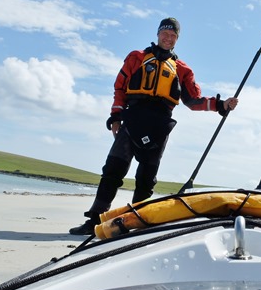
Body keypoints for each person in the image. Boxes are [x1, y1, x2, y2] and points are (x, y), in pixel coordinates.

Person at [69, 17, 239, 235]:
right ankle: (94, 220)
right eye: (165, 34)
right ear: (158, 34)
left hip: (159, 124)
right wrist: (115, 117)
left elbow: (193, 101)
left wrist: (221, 105)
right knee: (112, 171)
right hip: (132, 119)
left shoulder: (182, 70)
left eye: (173, 36)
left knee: (146, 179)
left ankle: (137, 224)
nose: (168, 38)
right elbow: (120, 89)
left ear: (177, 39)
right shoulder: (136, 57)